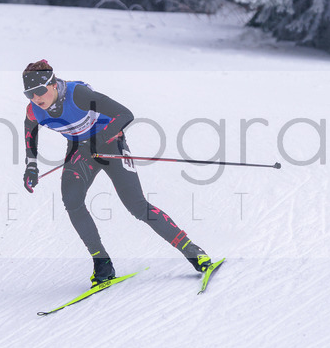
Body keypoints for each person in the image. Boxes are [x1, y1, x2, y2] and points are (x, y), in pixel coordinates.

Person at [21, 59, 214, 285]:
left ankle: (192, 251)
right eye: (29, 94)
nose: (36, 98)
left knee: (137, 206)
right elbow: (30, 133)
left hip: (111, 144)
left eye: (40, 91)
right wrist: (31, 165)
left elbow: (124, 114)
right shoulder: (34, 110)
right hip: (80, 151)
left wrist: (102, 139)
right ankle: (102, 264)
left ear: (53, 84)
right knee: (72, 200)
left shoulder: (78, 95)